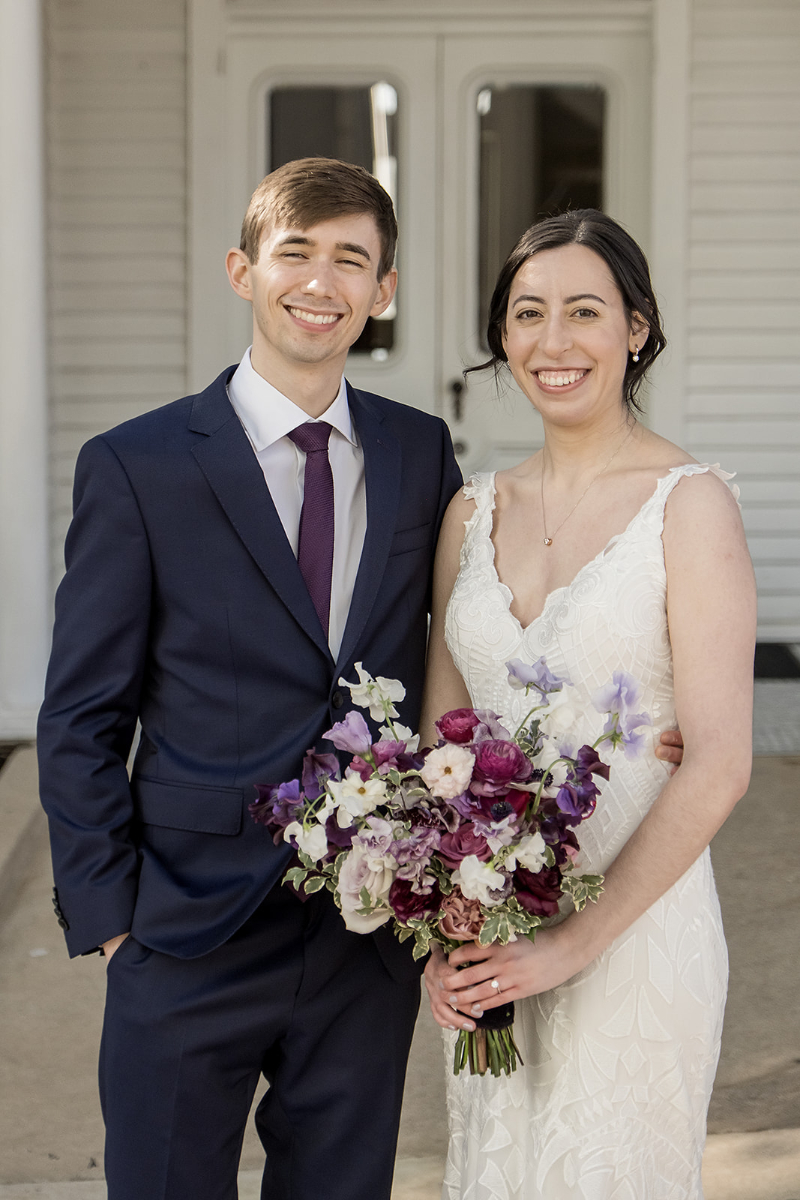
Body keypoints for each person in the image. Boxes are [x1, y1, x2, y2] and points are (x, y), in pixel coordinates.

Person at [36, 157, 464, 1200]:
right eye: (296, 254)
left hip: (363, 933)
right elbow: (82, 712)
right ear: (243, 271)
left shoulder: (418, 453)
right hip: (186, 926)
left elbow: (455, 646)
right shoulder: (139, 466)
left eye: (351, 260)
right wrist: (111, 918)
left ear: (384, 289)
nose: (321, 281)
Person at [421, 209, 755, 1199]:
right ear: (501, 339)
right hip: (492, 940)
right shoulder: (468, 513)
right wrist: (444, 930)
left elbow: (720, 761)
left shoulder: (687, 506)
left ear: (634, 329)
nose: (552, 342)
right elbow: (441, 753)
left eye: (582, 312)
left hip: (633, 933)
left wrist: (570, 942)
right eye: (527, 315)